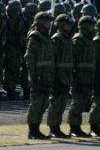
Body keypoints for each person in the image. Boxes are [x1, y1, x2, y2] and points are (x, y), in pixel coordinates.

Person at [25, 11, 55, 140]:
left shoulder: (46, 36)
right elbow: (29, 57)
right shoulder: (35, 36)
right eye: (47, 21)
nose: (49, 24)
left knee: (44, 103)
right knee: (36, 103)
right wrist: (33, 75)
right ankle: (33, 130)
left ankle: (37, 128)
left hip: (46, 74)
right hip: (38, 74)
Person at [68, 15, 97, 138]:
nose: (93, 28)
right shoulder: (78, 40)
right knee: (77, 103)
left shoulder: (89, 39)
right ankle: (73, 127)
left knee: (83, 102)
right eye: (90, 25)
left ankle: (78, 126)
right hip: (79, 75)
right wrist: (75, 75)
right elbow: (72, 59)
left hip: (88, 75)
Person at [47, 14, 74, 139]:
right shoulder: (56, 39)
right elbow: (52, 59)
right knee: (56, 103)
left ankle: (57, 126)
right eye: (66, 25)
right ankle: (53, 128)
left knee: (62, 103)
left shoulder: (67, 39)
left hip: (66, 74)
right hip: (58, 75)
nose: (69, 27)